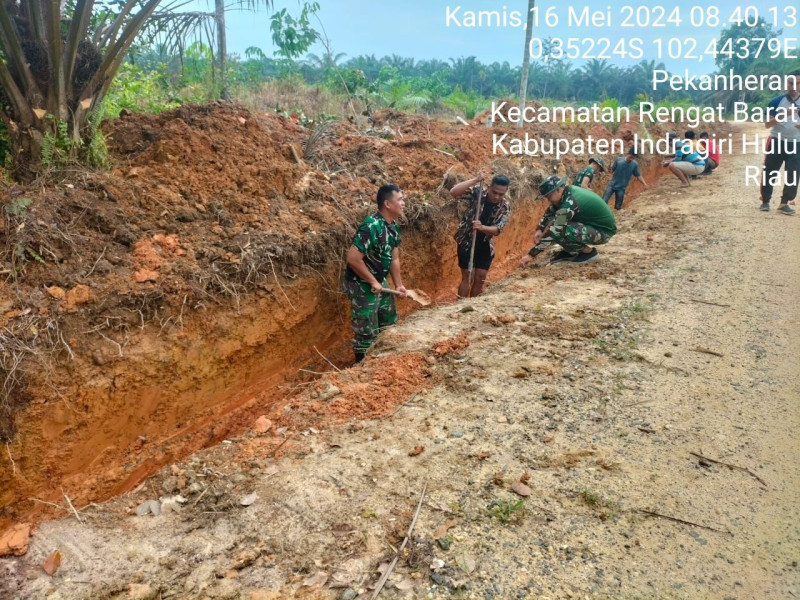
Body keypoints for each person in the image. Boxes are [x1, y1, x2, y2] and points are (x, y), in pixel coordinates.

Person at [343, 184, 407, 362]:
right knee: (366, 333)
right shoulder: (371, 227)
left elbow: (394, 259)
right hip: (360, 284)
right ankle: (362, 370)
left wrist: (399, 285)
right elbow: (353, 258)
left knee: (389, 324)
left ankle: (384, 363)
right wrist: (372, 281)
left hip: (378, 281)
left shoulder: (393, 227)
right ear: (387, 204)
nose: (403, 204)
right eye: (400, 200)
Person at [520, 175, 617, 266]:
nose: (549, 200)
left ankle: (588, 253)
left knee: (559, 230)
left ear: (558, 190)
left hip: (603, 232)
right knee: (558, 225)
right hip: (593, 226)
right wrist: (540, 229)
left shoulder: (569, 203)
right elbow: (551, 210)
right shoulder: (567, 193)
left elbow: (555, 231)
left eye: (549, 197)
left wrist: (531, 255)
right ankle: (572, 251)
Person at [450, 173, 511, 298]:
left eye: (501, 194)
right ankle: (459, 307)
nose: (496, 197)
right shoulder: (478, 193)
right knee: (467, 276)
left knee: (480, 278)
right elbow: (454, 192)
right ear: (489, 187)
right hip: (467, 241)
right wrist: (475, 180)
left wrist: (482, 228)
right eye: (494, 192)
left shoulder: (505, 206)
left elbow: (498, 229)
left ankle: (473, 307)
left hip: (484, 244)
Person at [759, 69, 800, 215]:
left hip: (796, 142)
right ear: (786, 84)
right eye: (790, 83)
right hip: (777, 140)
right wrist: (784, 115)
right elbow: (767, 124)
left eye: (797, 83)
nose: (793, 86)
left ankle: (784, 203)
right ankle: (765, 201)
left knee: (794, 173)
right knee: (770, 171)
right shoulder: (776, 102)